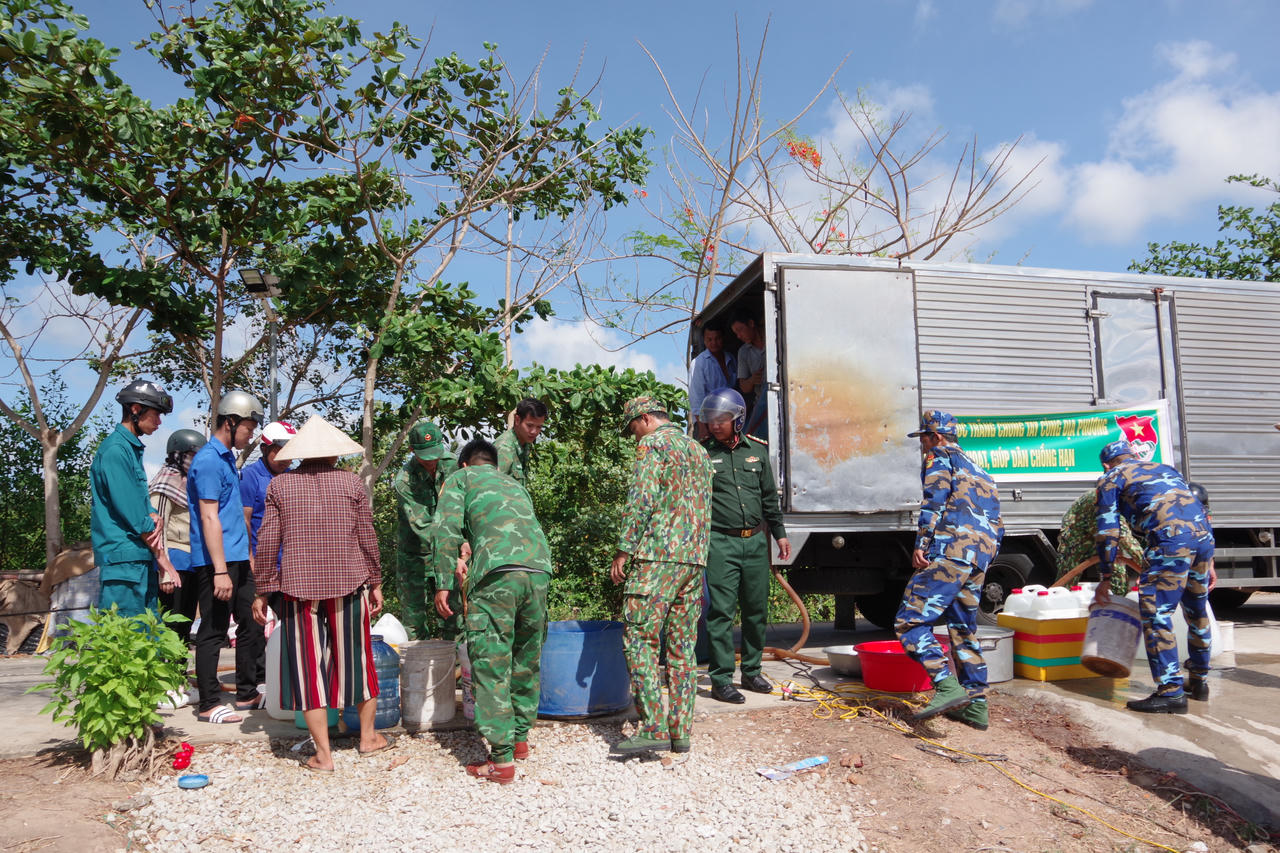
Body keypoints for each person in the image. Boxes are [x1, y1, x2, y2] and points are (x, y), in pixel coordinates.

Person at [250, 416, 390, 771]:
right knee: (357, 662)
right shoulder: (351, 483)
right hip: (349, 584)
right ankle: (368, 738)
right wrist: (375, 581)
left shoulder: (280, 486)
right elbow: (367, 537)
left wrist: (263, 590)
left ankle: (324, 755)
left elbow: (267, 543)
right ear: (333, 453)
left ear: (300, 454)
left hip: (298, 589)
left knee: (308, 668)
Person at [431, 438, 554, 784]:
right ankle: (519, 739)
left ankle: (500, 761)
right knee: (525, 656)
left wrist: (443, 581)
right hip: (538, 572)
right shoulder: (513, 483)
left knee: (491, 659)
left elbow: (445, 530)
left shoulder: (460, 479)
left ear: (466, 464)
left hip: (497, 575)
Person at [610, 396, 713, 755]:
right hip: (694, 560)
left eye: (633, 428)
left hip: (657, 557)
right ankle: (680, 732)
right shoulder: (697, 450)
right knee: (683, 648)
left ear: (645, 419)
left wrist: (624, 549)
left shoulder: (653, 444)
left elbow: (642, 498)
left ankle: (653, 727)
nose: (633, 436)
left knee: (641, 639)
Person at [895, 409, 1004, 728]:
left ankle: (946, 685)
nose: (923, 447)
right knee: (962, 628)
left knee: (909, 621)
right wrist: (984, 555)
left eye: (924, 439)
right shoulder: (983, 471)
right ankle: (975, 705)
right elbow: (999, 524)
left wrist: (922, 543)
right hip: (979, 557)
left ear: (937, 437)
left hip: (950, 549)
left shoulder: (939, 456)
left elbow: (934, 501)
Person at [1093, 440, 1215, 713]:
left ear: (1105, 464)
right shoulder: (1166, 468)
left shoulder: (1111, 477)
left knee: (1156, 613)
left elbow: (1107, 531)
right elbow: (1199, 509)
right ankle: (1198, 681)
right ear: (1133, 455)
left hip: (1170, 542)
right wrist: (1210, 559)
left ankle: (1171, 692)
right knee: (1196, 611)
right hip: (1203, 540)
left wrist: (1106, 575)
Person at [699, 388, 790, 703]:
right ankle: (721, 679)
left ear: (737, 420)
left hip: (754, 544)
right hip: (720, 543)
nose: (714, 425)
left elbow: (768, 498)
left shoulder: (758, 452)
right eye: (711, 420)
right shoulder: (703, 454)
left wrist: (779, 534)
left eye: (721, 419)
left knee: (756, 611)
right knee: (721, 613)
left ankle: (751, 672)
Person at [188, 390, 266, 724]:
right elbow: (209, 517)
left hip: (238, 558)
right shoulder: (207, 460)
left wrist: (246, 555)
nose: (251, 435)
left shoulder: (226, 460)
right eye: (248, 427)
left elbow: (235, 516)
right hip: (216, 563)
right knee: (214, 629)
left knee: (251, 622)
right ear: (230, 422)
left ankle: (248, 693)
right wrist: (220, 571)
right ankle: (208, 702)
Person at [90, 380, 182, 618]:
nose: (159, 422)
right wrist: (164, 560)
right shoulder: (115, 450)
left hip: (137, 560)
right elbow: (133, 514)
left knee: (146, 642)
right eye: (156, 415)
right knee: (123, 643)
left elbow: (140, 508)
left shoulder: (130, 449)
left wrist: (153, 515)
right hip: (123, 564)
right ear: (135, 409)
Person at [392, 420, 458, 639]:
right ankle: (419, 671)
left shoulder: (454, 466)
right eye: (424, 456)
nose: (431, 462)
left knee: (454, 617)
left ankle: (456, 670)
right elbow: (422, 526)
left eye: (435, 454)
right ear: (412, 451)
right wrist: (452, 550)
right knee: (414, 623)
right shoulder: (404, 480)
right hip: (415, 557)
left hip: (450, 556)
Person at [150, 428, 208, 645]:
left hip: (192, 560)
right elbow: (157, 528)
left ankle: (179, 671)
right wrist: (164, 571)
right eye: (193, 455)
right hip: (174, 560)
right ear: (178, 454)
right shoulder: (165, 483)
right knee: (170, 622)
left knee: (186, 619)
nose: (196, 461)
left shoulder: (191, 483)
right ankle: (169, 674)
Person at [1056, 487, 1143, 594]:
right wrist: (1151, 570)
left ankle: (1118, 603)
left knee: (1118, 577)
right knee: (1068, 577)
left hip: (1105, 533)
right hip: (1078, 533)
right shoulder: (1106, 499)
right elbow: (1125, 540)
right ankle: (1062, 604)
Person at [241, 421, 296, 557]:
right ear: (264, 449)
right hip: (260, 559)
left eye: (289, 453)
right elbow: (244, 520)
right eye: (279, 452)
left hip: (289, 562)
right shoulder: (250, 476)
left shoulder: (293, 477)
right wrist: (250, 560)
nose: (286, 459)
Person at [687, 325, 737, 440]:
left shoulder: (731, 359)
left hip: (729, 422)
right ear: (704, 340)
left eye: (717, 338)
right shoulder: (699, 363)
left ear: (723, 338)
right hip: (708, 423)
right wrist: (703, 428)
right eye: (709, 339)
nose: (713, 343)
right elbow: (696, 399)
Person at [729, 313, 768, 439]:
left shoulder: (774, 336)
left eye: (740, 330)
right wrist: (752, 380)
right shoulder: (743, 352)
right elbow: (744, 387)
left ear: (751, 324)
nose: (739, 336)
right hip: (761, 406)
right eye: (736, 333)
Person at [494, 398, 547, 486]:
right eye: (529, 425)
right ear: (517, 420)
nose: (534, 432)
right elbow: (492, 489)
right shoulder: (504, 449)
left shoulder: (523, 441)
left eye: (539, 427)